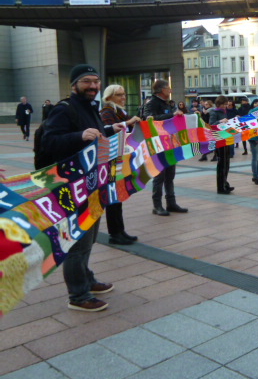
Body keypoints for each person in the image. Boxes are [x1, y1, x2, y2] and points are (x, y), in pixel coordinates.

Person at [42, 64, 125, 312]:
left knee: (88, 238)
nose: (92, 86)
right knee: (77, 241)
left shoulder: (90, 107)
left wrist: (110, 129)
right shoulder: (63, 109)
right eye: (87, 81)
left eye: (96, 81)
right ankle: (77, 295)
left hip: (92, 183)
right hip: (71, 186)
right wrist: (78, 137)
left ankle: (87, 279)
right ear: (74, 84)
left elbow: (94, 133)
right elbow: (49, 142)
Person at [100, 84, 141, 245]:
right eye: (119, 95)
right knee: (113, 197)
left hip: (118, 158)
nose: (123, 97)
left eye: (123, 94)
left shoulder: (118, 111)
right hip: (110, 159)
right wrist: (129, 122)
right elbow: (106, 131)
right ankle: (115, 233)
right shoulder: (107, 112)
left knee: (118, 195)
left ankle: (120, 230)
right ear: (109, 97)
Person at [143, 79, 189, 216]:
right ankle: (157, 205)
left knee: (170, 174)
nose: (170, 90)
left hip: (170, 143)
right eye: (168, 88)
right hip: (158, 144)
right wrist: (171, 115)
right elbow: (149, 119)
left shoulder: (168, 103)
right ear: (162, 90)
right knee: (159, 176)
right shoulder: (151, 103)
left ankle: (171, 203)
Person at [209, 95, 234, 194]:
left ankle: (225, 183)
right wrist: (220, 121)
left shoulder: (224, 112)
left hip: (226, 138)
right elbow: (211, 125)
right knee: (222, 164)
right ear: (219, 104)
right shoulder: (214, 112)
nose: (225, 106)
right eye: (224, 105)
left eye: (226, 105)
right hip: (219, 140)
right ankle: (220, 187)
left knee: (227, 163)